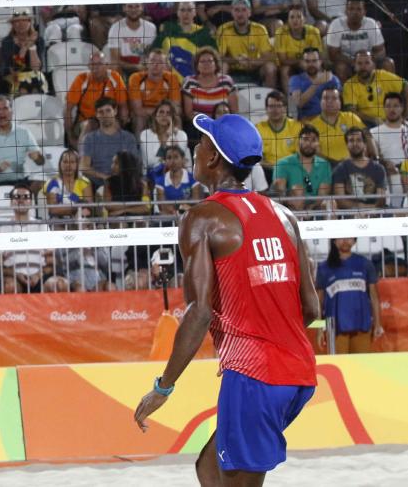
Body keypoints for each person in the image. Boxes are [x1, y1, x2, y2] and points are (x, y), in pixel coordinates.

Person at [134, 113, 320, 484]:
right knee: (208, 469)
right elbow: (312, 309)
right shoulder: (284, 216)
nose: (195, 148)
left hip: (253, 376)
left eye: (201, 143)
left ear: (214, 157)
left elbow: (199, 312)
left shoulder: (202, 218)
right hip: (299, 372)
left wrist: (163, 387)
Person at [317, 238, 383, 354]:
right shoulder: (324, 268)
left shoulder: (365, 264)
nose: (345, 240)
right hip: (335, 329)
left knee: (362, 369)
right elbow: (319, 302)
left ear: (355, 240)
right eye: (341, 237)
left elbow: (374, 297)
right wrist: (319, 329)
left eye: (349, 237)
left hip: (362, 326)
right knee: (339, 368)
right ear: (334, 240)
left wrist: (378, 324)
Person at [0, 95, 44, 187]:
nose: (1, 112)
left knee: (41, 185)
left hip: (20, 181)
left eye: (5, 108)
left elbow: (41, 162)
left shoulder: (24, 132)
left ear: (12, 111)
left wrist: (37, 157)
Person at [64, 50, 129, 143]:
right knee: (90, 125)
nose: (95, 68)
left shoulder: (115, 78)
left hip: (109, 119)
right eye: (92, 64)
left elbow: (123, 106)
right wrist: (70, 136)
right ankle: (83, 154)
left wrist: (122, 124)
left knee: (114, 126)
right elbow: (68, 109)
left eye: (99, 64)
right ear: (88, 66)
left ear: (107, 65)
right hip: (85, 121)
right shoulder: (81, 79)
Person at [325, 0, 393, 81]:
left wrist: (369, 62)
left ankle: (390, 93)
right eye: (351, 9)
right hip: (347, 63)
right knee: (341, 67)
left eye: (359, 9)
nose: (355, 12)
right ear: (346, 11)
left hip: (369, 61)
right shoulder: (336, 24)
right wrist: (355, 62)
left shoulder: (371, 24)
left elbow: (381, 51)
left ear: (364, 12)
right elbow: (333, 55)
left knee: (388, 63)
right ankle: (344, 93)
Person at [342, 50, 408, 128]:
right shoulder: (349, 85)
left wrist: (405, 116)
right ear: (354, 66)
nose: (363, 67)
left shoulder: (383, 75)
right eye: (359, 63)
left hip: (389, 119)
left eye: (367, 63)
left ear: (374, 65)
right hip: (366, 123)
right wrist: (373, 119)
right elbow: (352, 111)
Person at [79, 96, 138, 186]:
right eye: (101, 112)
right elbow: (83, 167)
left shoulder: (129, 138)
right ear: (96, 115)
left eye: (108, 110)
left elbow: (133, 166)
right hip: (98, 184)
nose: (105, 115)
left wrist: (116, 180)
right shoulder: (89, 139)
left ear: (115, 111)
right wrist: (106, 178)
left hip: (124, 184)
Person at [216, 1, 277, 88]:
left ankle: (271, 99)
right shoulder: (223, 29)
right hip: (233, 68)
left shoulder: (259, 29)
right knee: (222, 65)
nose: (240, 14)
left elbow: (268, 57)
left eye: (244, 10)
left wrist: (251, 61)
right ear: (232, 12)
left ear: (249, 12)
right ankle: (220, 98)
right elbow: (218, 57)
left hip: (255, 68)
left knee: (270, 67)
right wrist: (236, 60)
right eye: (237, 10)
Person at [272, 125, 332, 211]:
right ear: (298, 141)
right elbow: (280, 193)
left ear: (318, 143)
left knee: (331, 203)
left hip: (316, 207)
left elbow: (322, 196)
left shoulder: (324, 165)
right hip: (290, 207)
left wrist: (310, 209)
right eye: (305, 139)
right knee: (298, 190)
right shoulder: (283, 163)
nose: (309, 143)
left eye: (313, 140)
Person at [331, 128, 388, 212]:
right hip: (350, 214)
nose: (355, 144)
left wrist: (371, 210)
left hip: (375, 213)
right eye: (351, 141)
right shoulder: (340, 169)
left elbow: (381, 200)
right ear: (347, 144)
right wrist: (361, 207)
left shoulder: (379, 168)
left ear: (365, 144)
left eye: (359, 140)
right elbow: (341, 201)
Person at [307, 88, 368, 164]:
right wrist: (335, 164)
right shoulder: (312, 126)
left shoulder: (351, 117)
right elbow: (315, 152)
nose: (329, 101)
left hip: (355, 165)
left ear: (340, 102)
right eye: (326, 98)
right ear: (320, 102)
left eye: (334, 98)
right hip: (327, 169)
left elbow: (367, 137)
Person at [370, 92, 408, 197]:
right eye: (388, 106)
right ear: (383, 108)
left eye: (396, 106)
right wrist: (384, 164)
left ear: (402, 108)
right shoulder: (373, 132)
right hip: (388, 175)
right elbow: (373, 159)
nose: (392, 109)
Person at [128, 49, 181, 134]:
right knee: (139, 118)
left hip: (165, 112)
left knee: (177, 118)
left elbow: (176, 108)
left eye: (160, 62)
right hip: (146, 115)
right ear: (147, 62)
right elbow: (137, 110)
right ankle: (139, 146)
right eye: (152, 60)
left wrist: (163, 114)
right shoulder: (135, 78)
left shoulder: (172, 78)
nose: (156, 64)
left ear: (164, 65)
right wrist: (160, 113)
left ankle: (176, 146)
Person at [274, 5, 324, 92]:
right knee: (285, 70)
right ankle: (291, 102)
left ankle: (317, 96)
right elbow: (283, 60)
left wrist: (306, 62)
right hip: (289, 65)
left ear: (305, 19)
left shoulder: (313, 31)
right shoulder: (280, 33)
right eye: (292, 17)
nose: (295, 20)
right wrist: (300, 61)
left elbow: (316, 56)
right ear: (288, 20)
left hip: (308, 62)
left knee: (316, 67)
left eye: (299, 17)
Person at [182, 47, 238, 122]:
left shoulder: (227, 81)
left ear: (216, 64)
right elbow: (189, 114)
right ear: (197, 65)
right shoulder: (189, 82)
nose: (206, 64)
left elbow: (234, 111)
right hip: (199, 125)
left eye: (210, 61)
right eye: (202, 61)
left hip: (223, 123)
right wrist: (208, 123)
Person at [289, 47, 341, 121]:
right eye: (307, 61)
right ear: (302, 63)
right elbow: (298, 103)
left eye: (314, 61)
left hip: (329, 120)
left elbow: (338, 105)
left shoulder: (332, 79)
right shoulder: (295, 79)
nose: (311, 64)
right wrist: (317, 83)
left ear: (320, 62)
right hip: (307, 121)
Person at [255, 90, 302, 172]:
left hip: (291, 170)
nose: (275, 110)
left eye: (279, 106)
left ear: (285, 108)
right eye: (271, 106)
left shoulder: (297, 127)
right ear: (266, 109)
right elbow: (256, 158)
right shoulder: (258, 129)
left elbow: (301, 157)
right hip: (267, 170)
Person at [108, 3, 157, 77]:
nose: (133, 10)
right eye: (130, 6)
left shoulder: (151, 27)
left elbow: (151, 53)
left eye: (137, 6)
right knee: (115, 66)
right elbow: (115, 60)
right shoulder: (115, 28)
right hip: (124, 66)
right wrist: (135, 66)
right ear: (124, 8)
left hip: (143, 65)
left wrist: (144, 65)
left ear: (142, 8)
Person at [153, 145, 199, 215]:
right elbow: (162, 206)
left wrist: (184, 208)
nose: (173, 161)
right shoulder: (160, 181)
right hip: (168, 218)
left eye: (176, 157)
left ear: (183, 159)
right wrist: (178, 210)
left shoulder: (193, 179)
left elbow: (196, 202)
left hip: (189, 216)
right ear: (165, 161)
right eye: (169, 158)